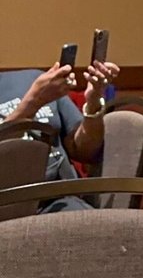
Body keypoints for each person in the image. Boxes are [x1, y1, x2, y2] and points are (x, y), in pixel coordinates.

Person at [0, 58, 120, 212]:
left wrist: (93, 101)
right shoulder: (38, 90)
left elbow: (85, 151)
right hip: (11, 209)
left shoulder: (33, 79)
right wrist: (33, 102)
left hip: (63, 200)